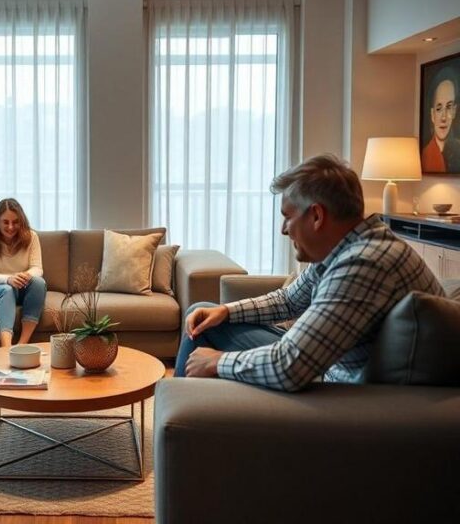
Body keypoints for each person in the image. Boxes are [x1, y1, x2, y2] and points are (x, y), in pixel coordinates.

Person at [174, 154, 444, 392]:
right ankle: (187, 408)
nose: (283, 230)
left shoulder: (364, 263)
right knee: (204, 316)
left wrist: (217, 361)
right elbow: (288, 300)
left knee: (206, 343)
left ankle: (184, 414)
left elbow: (290, 366)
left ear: (316, 216)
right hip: (325, 365)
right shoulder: (346, 249)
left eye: (287, 216)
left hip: (341, 392)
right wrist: (227, 311)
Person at [0, 198, 46, 347]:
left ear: (21, 221)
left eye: (15, 222)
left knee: (39, 283)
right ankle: (6, 349)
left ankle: (21, 345)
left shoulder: (32, 237)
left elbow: (37, 268)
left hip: (23, 285)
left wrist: (25, 276)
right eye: (5, 222)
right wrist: (9, 279)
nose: (10, 227)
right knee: (7, 290)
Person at [421, 67, 458, 173]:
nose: (443, 117)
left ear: (454, 111)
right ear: (432, 114)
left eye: (449, 107)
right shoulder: (425, 155)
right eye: (439, 108)